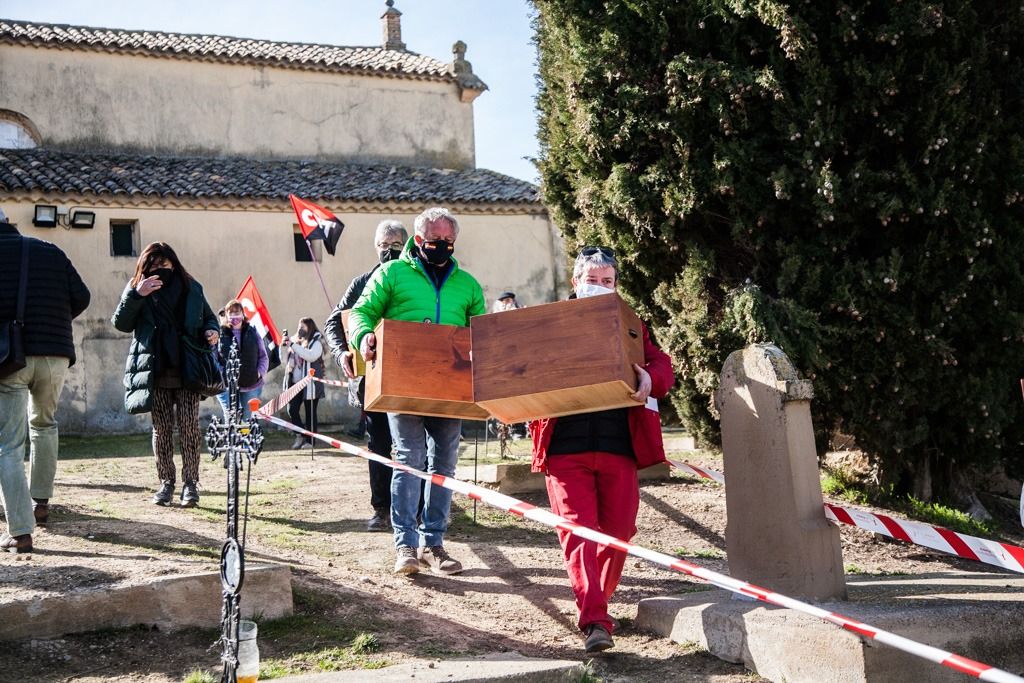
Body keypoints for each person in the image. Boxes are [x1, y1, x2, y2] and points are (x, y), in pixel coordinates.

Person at [529, 246, 674, 653]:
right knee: (579, 533)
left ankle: (597, 601)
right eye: (593, 281)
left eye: (607, 282)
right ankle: (595, 619)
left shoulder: (631, 323)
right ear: (576, 282)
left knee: (620, 533)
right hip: (565, 449)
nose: (600, 287)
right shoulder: (549, 321)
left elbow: (661, 365)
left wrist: (651, 378)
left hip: (618, 447)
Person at [348, 207, 486, 575]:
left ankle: (434, 542)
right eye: (434, 241)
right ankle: (405, 544)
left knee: (444, 463)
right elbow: (360, 313)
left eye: (448, 242)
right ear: (418, 239)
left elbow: (481, 333)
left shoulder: (467, 285)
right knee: (408, 458)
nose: (441, 247)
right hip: (403, 382)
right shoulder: (391, 273)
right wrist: (363, 338)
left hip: (450, 387)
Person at [0, 207, 91, 553]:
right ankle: (41, 503)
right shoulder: (49, 251)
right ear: (8, 221)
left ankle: (21, 531)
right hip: (55, 353)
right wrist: (50, 318)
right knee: (44, 424)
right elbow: (81, 297)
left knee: (8, 444)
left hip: (9, 359)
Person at [111, 242, 219, 508]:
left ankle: (191, 484)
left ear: (174, 263)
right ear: (145, 267)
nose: (160, 269)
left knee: (190, 427)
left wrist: (212, 331)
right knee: (161, 430)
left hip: (188, 368)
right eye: (154, 265)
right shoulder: (137, 287)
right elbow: (120, 323)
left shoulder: (191, 287)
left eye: (164, 264)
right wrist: (137, 294)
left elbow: (210, 317)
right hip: (155, 370)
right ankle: (166, 483)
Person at [324, 219, 408, 531]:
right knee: (380, 445)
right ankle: (381, 509)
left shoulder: (417, 279)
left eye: (395, 245)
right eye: (384, 246)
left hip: (413, 376)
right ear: (376, 248)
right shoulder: (363, 282)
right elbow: (335, 320)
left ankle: (418, 509)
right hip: (373, 378)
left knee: (417, 446)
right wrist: (341, 351)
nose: (389, 251)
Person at [216, 298, 269, 419]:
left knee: (246, 420)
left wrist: (259, 373)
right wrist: (221, 372)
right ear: (227, 315)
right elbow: (213, 358)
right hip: (227, 385)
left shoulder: (253, 333)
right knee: (231, 419)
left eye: (237, 313)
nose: (235, 316)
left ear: (242, 314)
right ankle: (232, 438)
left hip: (251, 385)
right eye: (231, 313)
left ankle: (245, 437)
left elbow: (263, 357)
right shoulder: (220, 334)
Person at [283, 317, 325, 449]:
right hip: (295, 384)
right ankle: (300, 435)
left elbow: (311, 355)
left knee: (310, 413)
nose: (300, 329)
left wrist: (293, 345)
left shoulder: (316, 341)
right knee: (292, 410)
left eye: (303, 327)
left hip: (310, 385)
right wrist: (283, 345)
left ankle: (310, 442)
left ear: (310, 328)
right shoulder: (295, 342)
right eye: (299, 326)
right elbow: (284, 359)